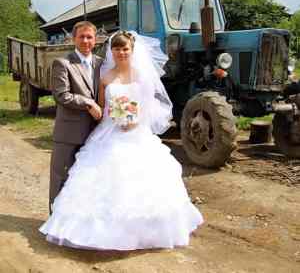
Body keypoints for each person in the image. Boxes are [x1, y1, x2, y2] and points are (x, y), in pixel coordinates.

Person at [40, 31, 203, 250]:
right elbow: (101, 107)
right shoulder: (105, 77)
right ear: (111, 51)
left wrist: (135, 120)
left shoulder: (142, 76)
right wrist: (114, 117)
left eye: (125, 49)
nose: (121, 53)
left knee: (141, 182)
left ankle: (145, 231)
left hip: (137, 133)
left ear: (132, 50)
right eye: (116, 49)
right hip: (109, 132)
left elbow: (150, 105)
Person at [49, 21, 103, 214]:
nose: (86, 41)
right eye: (82, 36)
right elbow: (61, 95)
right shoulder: (62, 63)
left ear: (95, 40)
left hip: (95, 134)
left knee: (85, 179)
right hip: (69, 133)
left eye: (90, 37)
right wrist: (89, 103)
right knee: (61, 177)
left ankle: (78, 222)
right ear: (73, 39)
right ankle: (55, 221)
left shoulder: (100, 63)